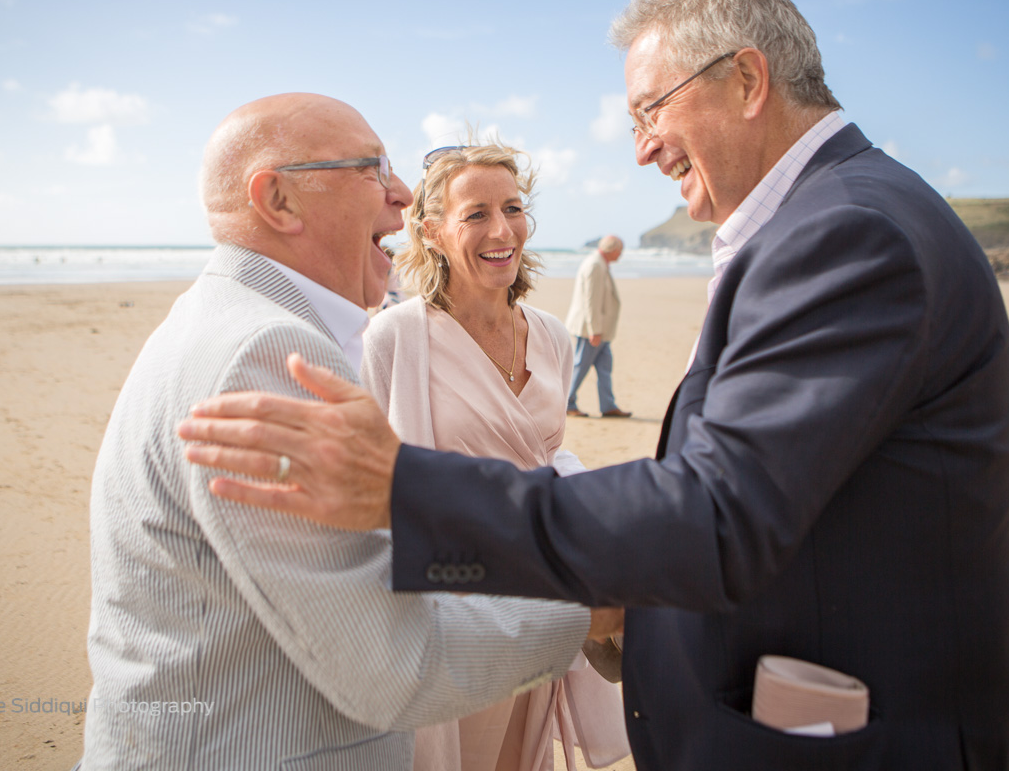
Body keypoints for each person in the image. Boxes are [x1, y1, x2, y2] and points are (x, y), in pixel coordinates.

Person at [178, 0, 1009, 770]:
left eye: (652, 110)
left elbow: (719, 512)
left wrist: (405, 488)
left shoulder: (848, 232)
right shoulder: (833, 219)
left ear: (748, 78)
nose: (642, 145)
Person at [77, 94, 613, 771]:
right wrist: (594, 610)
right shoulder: (265, 352)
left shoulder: (224, 321)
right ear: (279, 201)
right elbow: (391, 659)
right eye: (372, 169)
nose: (400, 195)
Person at [362, 141, 629, 771]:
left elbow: (552, 459)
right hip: (448, 617)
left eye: (512, 208)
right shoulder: (394, 337)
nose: (501, 229)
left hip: (540, 601)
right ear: (431, 231)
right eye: (475, 213)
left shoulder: (554, 338)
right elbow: (372, 483)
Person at [564, 235, 629, 418]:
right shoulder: (595, 265)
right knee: (580, 366)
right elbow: (591, 301)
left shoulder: (600, 263)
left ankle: (608, 406)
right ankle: (567, 404)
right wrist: (595, 330)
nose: (621, 254)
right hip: (591, 329)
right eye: (620, 250)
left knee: (604, 368)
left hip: (601, 330)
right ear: (612, 249)